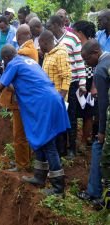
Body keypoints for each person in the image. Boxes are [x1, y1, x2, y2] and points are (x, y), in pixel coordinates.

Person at [0, 44, 70, 195]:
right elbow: (20, 87)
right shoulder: (28, 61)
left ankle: (58, 188)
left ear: (6, 58)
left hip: (43, 104)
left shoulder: (13, 63)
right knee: (39, 141)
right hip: (51, 99)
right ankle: (39, 177)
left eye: (4, 61)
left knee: (48, 145)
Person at [47, 15, 86, 158]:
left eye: (50, 25)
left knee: (71, 116)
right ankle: (61, 148)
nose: (48, 28)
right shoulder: (51, 40)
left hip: (72, 83)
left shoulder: (72, 39)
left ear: (58, 24)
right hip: (55, 85)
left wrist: (82, 84)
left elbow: (80, 62)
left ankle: (72, 148)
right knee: (59, 116)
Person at [0, 24, 37, 172]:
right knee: (25, 132)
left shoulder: (22, 54)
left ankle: (22, 164)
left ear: (22, 36)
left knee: (19, 133)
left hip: (20, 99)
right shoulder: (32, 49)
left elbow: (7, 83)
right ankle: (24, 160)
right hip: (26, 98)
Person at [81, 40, 110, 209]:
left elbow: (103, 104)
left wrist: (101, 131)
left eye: (87, 59)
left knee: (98, 149)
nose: (86, 63)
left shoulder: (100, 70)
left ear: (96, 52)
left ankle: (95, 193)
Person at [39, 30, 71, 157]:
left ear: (45, 42)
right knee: (53, 127)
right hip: (49, 99)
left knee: (59, 128)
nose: (39, 47)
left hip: (57, 98)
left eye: (40, 44)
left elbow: (67, 76)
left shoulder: (60, 54)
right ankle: (55, 155)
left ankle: (60, 155)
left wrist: (60, 98)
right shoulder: (48, 54)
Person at [72, 20, 98, 151]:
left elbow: (95, 67)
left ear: (80, 32)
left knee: (88, 112)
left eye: (74, 31)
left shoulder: (91, 45)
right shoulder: (75, 44)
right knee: (76, 111)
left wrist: (93, 85)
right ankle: (75, 140)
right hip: (77, 80)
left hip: (89, 81)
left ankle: (83, 140)